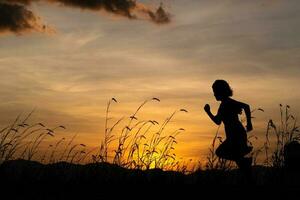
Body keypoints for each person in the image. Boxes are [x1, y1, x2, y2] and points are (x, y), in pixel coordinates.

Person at [204, 80, 253, 181]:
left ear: (221, 91)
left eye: (215, 91)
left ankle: (244, 160)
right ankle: (245, 162)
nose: (214, 94)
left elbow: (246, 106)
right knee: (237, 160)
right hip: (233, 135)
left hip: (237, 135)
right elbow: (218, 121)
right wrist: (208, 112)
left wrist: (249, 122)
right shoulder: (223, 105)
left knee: (221, 152)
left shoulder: (228, 102)